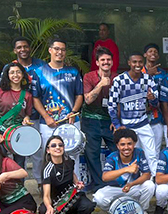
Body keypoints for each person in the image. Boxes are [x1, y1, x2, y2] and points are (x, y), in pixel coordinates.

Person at [31, 37, 85, 183]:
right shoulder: (39, 72)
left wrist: (73, 111)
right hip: (48, 123)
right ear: (50, 50)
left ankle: (75, 189)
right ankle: (48, 189)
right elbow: (35, 98)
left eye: (62, 49)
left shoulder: (73, 72)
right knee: (48, 156)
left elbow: (79, 94)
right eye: (56, 49)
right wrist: (46, 117)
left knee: (73, 156)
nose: (59, 52)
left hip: (71, 123)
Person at [108, 52, 160, 179]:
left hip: (143, 123)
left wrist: (152, 98)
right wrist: (117, 124)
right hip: (127, 126)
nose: (137, 65)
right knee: (131, 156)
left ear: (143, 63)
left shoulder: (148, 79)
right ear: (129, 63)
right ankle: (133, 181)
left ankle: (155, 180)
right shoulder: (119, 80)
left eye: (140, 62)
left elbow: (156, 102)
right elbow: (111, 105)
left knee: (151, 154)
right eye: (134, 62)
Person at [5, 36, 47, 187]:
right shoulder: (10, 67)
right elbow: (3, 90)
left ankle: (41, 183)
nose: (23, 49)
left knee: (38, 152)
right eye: (19, 47)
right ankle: (19, 185)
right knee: (19, 153)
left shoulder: (41, 65)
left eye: (25, 46)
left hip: (37, 116)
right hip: (16, 120)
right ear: (15, 50)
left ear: (29, 48)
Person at [93, 128, 156, 214]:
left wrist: (131, 184)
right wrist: (126, 169)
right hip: (115, 188)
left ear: (134, 144)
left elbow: (147, 175)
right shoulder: (112, 157)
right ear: (117, 146)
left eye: (129, 144)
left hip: (132, 187)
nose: (126, 147)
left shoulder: (139, 153)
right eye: (122, 144)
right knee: (98, 197)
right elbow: (105, 177)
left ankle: (141, 211)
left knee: (149, 185)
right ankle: (113, 212)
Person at [38, 135, 96, 214]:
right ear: (48, 150)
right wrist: (49, 207)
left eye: (60, 145)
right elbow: (46, 195)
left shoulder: (69, 162)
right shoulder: (47, 169)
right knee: (44, 212)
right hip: (55, 202)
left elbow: (72, 175)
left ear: (64, 148)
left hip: (71, 197)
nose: (57, 147)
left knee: (88, 205)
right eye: (53, 145)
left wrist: (78, 183)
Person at [81, 47, 115, 192]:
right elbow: (88, 100)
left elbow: (120, 102)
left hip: (110, 120)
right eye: (103, 60)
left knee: (117, 149)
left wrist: (116, 120)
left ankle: (115, 180)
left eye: (108, 60)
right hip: (90, 119)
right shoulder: (89, 77)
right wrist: (101, 84)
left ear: (112, 62)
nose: (106, 62)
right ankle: (99, 184)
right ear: (97, 62)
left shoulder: (117, 78)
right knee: (92, 152)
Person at [0, 62, 34, 168]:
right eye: (12, 72)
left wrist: (26, 120)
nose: (15, 75)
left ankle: (20, 185)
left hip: (19, 133)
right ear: (7, 75)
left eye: (18, 72)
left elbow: (27, 114)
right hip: (1, 132)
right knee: (1, 162)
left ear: (23, 74)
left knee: (19, 164)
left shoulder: (27, 95)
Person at [142, 43, 167, 157]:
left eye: (155, 52)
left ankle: (154, 175)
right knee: (140, 149)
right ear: (145, 54)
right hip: (140, 117)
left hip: (157, 116)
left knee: (155, 150)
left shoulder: (162, 73)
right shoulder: (138, 71)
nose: (153, 53)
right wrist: (147, 74)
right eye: (150, 51)